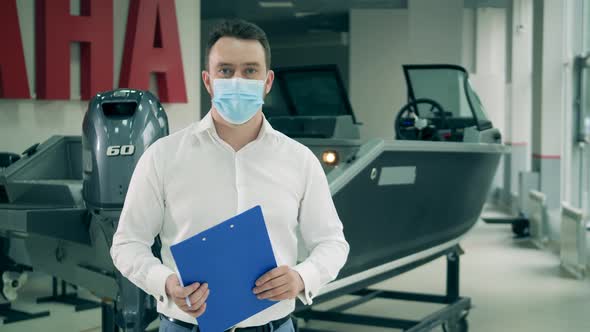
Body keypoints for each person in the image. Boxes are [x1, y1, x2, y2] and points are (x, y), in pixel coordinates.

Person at [110, 19, 349, 332]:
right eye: (225, 70)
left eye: (250, 70)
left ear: (268, 81)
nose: (238, 80)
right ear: (208, 81)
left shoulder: (299, 160)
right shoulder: (163, 157)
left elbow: (332, 243)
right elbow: (127, 244)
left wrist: (303, 277)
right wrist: (166, 283)